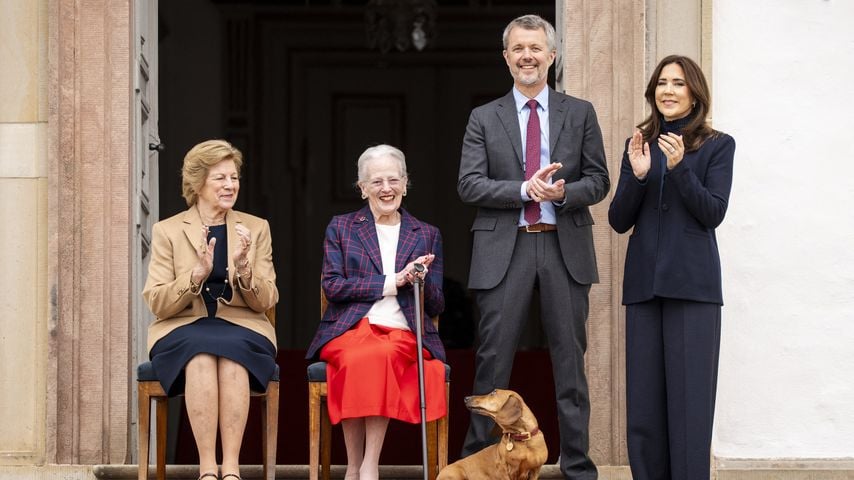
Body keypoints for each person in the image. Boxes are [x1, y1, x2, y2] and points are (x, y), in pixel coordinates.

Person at [457, 14, 609, 480]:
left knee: (570, 364)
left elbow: (599, 179)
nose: (528, 56)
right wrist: (525, 190)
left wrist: (562, 193)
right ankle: (479, 466)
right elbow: (469, 184)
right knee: (492, 363)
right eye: (519, 49)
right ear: (506, 57)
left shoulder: (579, 112)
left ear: (552, 55)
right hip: (506, 249)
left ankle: (577, 466)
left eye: (536, 48)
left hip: (564, 247)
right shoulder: (484, 117)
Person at [608, 55, 736, 480]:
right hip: (644, 288)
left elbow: (713, 212)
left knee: (689, 407)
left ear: (694, 93)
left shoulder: (718, 145)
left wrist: (680, 171)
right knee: (644, 408)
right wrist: (639, 176)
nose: (668, 90)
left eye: (678, 83)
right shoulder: (639, 144)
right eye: (662, 82)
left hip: (693, 288)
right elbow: (618, 220)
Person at [306, 144, 446, 480]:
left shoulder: (427, 234)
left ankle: (367, 465)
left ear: (405, 184)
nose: (387, 189)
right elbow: (333, 287)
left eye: (394, 180)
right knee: (361, 355)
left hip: (403, 333)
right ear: (362, 188)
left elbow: (437, 305)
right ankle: (356, 466)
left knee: (377, 354)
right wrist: (393, 280)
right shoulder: (342, 227)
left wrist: (420, 280)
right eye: (377, 182)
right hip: (349, 329)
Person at [142, 139, 278, 480]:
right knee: (201, 355)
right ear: (198, 183)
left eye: (234, 177)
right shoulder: (167, 230)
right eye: (220, 178)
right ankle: (207, 468)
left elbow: (267, 300)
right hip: (182, 327)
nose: (230, 185)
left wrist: (245, 270)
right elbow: (157, 301)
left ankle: (230, 468)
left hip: (244, 326)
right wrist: (196, 274)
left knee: (232, 355)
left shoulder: (256, 227)